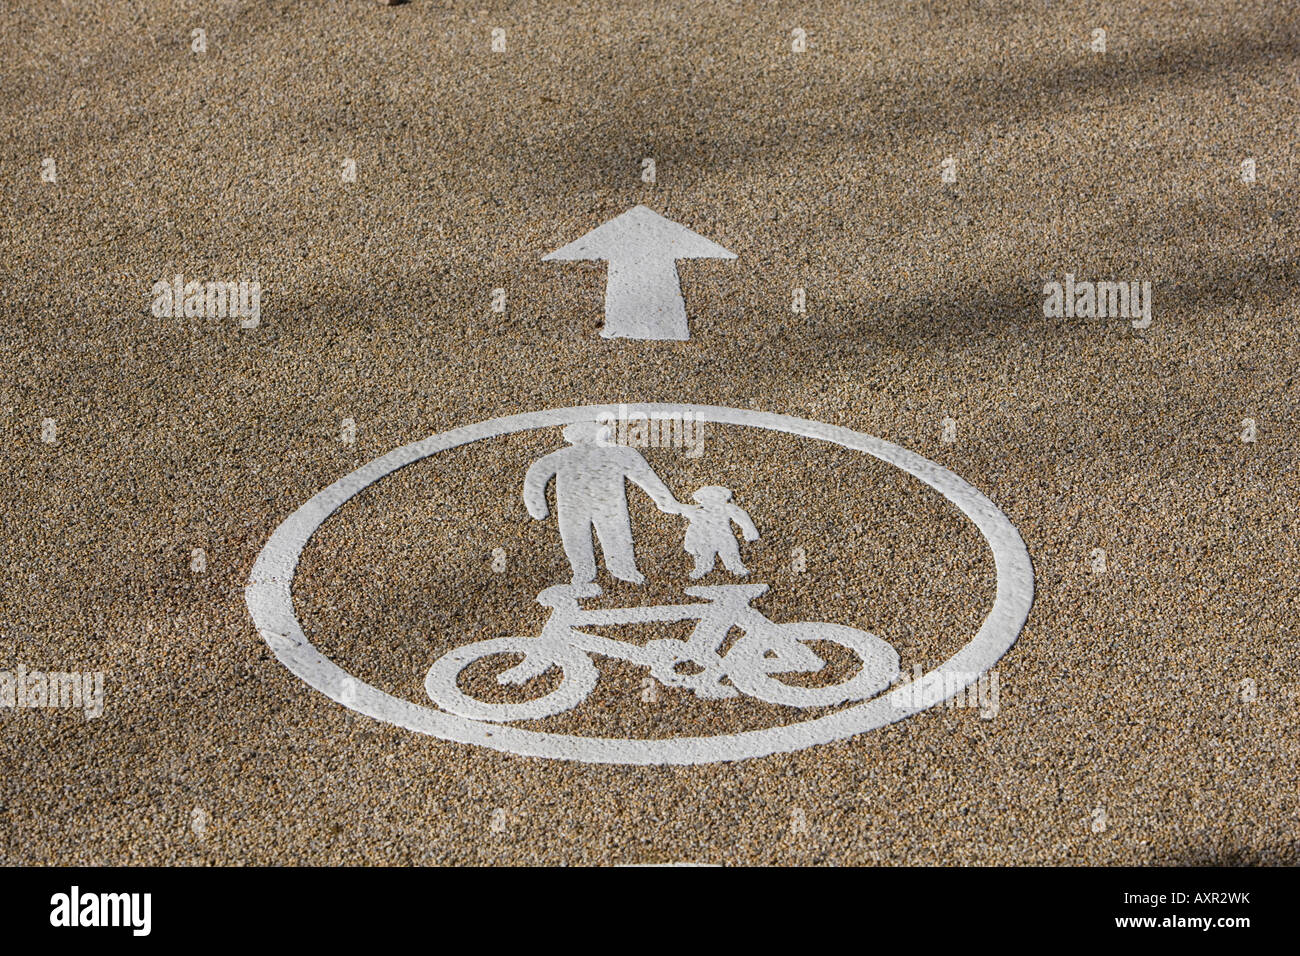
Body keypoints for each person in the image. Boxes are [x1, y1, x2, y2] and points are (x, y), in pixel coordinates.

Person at [524, 421, 685, 585]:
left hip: (585, 504)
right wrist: (665, 501)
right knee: (602, 534)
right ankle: (602, 570)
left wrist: (537, 506)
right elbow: (646, 477)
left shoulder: (564, 456)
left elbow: (535, 478)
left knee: (583, 536)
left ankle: (597, 570)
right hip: (595, 503)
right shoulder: (619, 452)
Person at [681, 486, 759, 579]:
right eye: (708, 497)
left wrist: (748, 529)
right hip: (705, 538)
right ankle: (701, 568)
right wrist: (690, 542)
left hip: (724, 536)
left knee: (730, 553)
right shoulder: (697, 511)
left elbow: (741, 517)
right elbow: (693, 527)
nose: (712, 500)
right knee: (703, 555)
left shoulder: (726, 508)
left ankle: (736, 568)